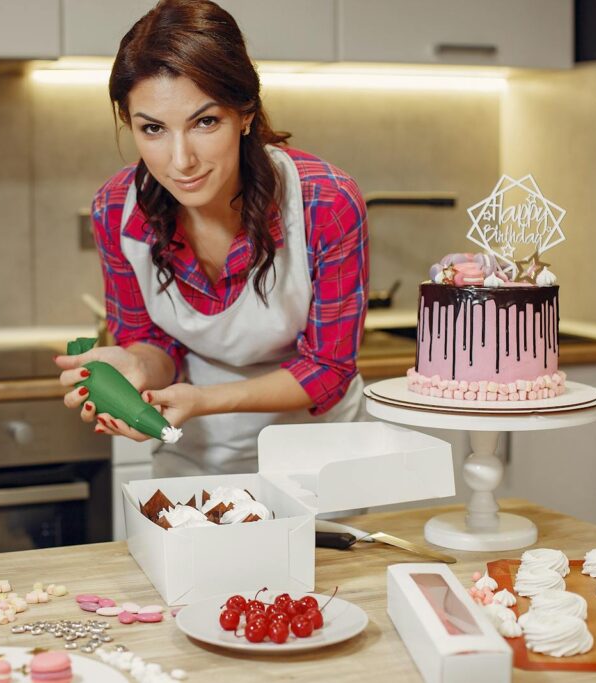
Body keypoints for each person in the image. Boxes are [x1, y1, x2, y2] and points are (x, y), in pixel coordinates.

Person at [56, 0, 369, 477]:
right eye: (153, 129)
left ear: (245, 113)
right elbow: (152, 343)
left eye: (205, 122)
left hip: (320, 454)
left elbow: (330, 369)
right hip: (193, 452)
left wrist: (204, 399)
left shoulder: (324, 203)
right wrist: (136, 369)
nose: (181, 160)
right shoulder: (116, 210)